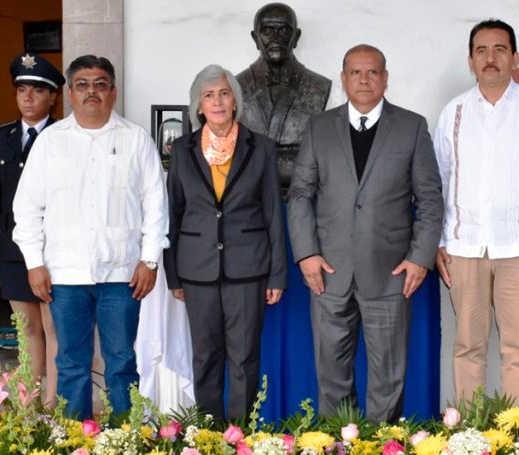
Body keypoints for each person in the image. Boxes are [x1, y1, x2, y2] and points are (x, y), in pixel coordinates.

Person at [287, 44, 443, 424]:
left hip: (390, 274)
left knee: (388, 378)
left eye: (372, 72)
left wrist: (420, 258)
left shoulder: (411, 126)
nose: (363, 79)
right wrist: (306, 254)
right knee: (331, 375)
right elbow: (299, 194)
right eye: (355, 72)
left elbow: (430, 198)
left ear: (385, 78)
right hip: (328, 272)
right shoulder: (318, 127)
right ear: (343, 79)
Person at [13, 55, 169, 421]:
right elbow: (27, 209)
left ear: (113, 92)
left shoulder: (136, 140)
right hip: (65, 276)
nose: (92, 92)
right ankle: (75, 448)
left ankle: (125, 442)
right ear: (69, 93)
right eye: (82, 84)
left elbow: (156, 206)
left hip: (122, 277)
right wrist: (35, 264)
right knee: (70, 364)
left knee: (122, 363)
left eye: (100, 84)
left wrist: (149, 260)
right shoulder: (50, 142)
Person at [433, 20, 519, 405]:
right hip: (465, 249)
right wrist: (439, 241)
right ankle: (470, 437)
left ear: (515, 58)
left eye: (499, 49)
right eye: (482, 50)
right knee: (467, 346)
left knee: (517, 350)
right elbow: (439, 185)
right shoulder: (454, 113)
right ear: (471, 60)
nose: (490, 58)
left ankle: (516, 438)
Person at [164, 65, 287, 424]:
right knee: (205, 356)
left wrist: (277, 275)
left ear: (235, 100)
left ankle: (239, 436)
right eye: (208, 95)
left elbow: (272, 214)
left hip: (248, 269)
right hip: (196, 269)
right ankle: (207, 433)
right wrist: (173, 275)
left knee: (244, 357)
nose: (217, 101)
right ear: (198, 106)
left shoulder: (260, 147)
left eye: (224, 93)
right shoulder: (183, 150)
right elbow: (173, 212)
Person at [0, 53, 64, 407]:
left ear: (52, 97)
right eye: (21, 90)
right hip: (13, 247)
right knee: (26, 329)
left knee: (53, 329)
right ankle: (28, 406)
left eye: (36, 90)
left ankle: (53, 404)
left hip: (55, 246)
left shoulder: (64, 136)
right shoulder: (0, 138)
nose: (27, 97)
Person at [236, 2, 331, 187]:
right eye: (267, 31)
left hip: (302, 195)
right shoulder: (236, 86)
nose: (276, 38)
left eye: (284, 30)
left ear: (296, 37)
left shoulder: (318, 86)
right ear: (255, 38)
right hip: (250, 198)